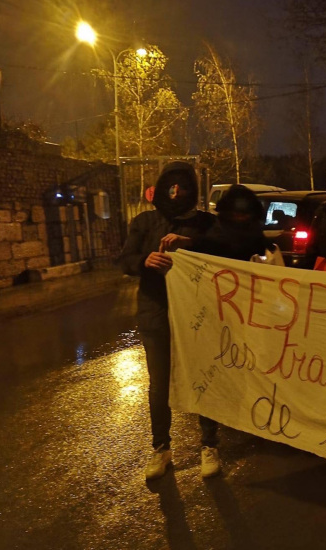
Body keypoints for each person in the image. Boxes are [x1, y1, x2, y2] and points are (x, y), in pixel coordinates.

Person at [117, 161, 222, 480]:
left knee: (203, 376)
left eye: (183, 187)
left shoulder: (207, 224)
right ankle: (161, 449)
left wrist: (191, 244)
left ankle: (209, 445)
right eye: (171, 187)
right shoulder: (144, 222)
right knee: (159, 384)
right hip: (155, 312)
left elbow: (228, 252)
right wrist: (144, 260)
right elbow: (125, 259)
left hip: (197, 315)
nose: (176, 193)